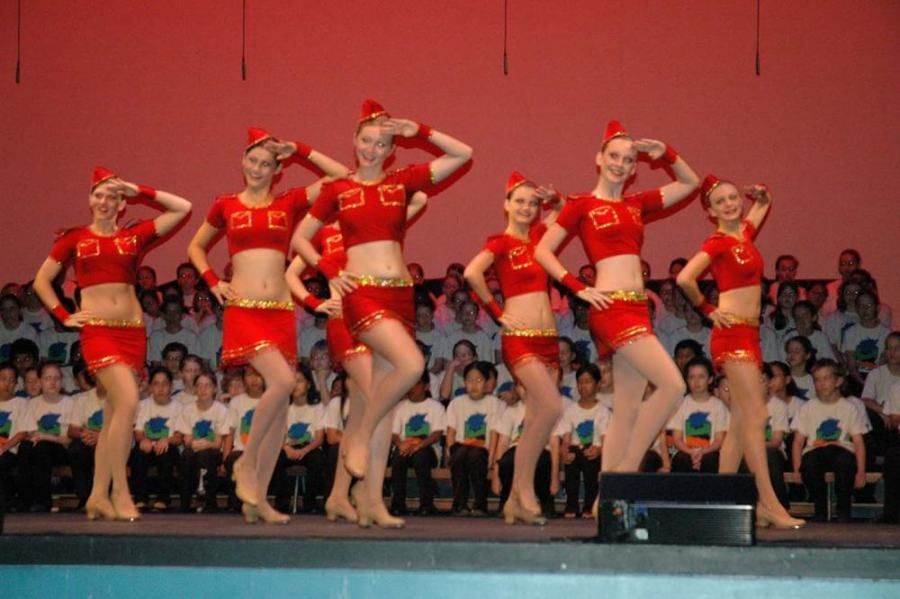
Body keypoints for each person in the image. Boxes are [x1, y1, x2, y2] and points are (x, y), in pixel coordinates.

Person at [293, 100, 472, 529]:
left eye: (383, 143)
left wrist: (420, 129)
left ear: (392, 149)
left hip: (400, 296)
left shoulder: (401, 183)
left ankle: (371, 501)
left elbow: (463, 154)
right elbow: (301, 239)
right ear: (354, 142)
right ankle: (356, 435)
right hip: (363, 294)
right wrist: (333, 272)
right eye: (367, 140)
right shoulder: (338, 189)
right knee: (412, 364)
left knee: (386, 406)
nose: (373, 149)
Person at [188, 126, 349, 523]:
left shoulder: (289, 202)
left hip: (279, 311)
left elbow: (342, 177)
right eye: (253, 160)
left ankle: (256, 500)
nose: (258, 168)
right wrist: (213, 281)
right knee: (280, 384)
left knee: (279, 411)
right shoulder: (225, 205)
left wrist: (300, 149)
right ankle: (243, 465)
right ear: (242, 162)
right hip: (243, 308)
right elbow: (195, 246)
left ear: (278, 170)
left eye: (267, 163)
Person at [535, 119, 698, 481]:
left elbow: (690, 183)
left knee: (625, 410)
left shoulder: (636, 204)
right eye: (614, 156)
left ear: (634, 167)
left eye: (628, 159)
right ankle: (625, 473)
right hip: (611, 309)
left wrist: (667, 154)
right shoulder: (580, 205)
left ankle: (606, 498)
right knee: (673, 386)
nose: (620, 164)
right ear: (599, 158)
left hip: (638, 308)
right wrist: (578, 287)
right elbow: (543, 250)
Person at [32, 166, 191, 520]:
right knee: (129, 402)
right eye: (98, 195)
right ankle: (121, 491)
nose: (104, 201)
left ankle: (96, 497)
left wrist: (139, 188)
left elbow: (182, 207)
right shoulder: (74, 239)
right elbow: (42, 280)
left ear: (122, 204)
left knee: (114, 416)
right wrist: (62, 314)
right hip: (99, 333)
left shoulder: (133, 237)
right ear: (90, 199)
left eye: (112, 196)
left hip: (132, 333)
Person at [677, 176, 803, 528]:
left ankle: (722, 501)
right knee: (757, 416)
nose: (731, 203)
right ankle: (768, 502)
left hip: (750, 332)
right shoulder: (716, 242)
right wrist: (707, 309)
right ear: (710, 210)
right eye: (722, 201)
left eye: (734, 198)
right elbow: (685, 278)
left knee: (740, 425)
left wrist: (764, 197)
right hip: (731, 334)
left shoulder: (744, 233)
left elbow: (761, 207)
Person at [464, 171, 566, 524]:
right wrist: (497, 312)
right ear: (506, 205)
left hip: (548, 339)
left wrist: (555, 199)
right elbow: (472, 274)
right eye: (520, 201)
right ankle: (525, 491)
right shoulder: (500, 243)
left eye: (532, 203)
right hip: (519, 338)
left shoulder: (539, 238)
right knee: (552, 407)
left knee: (538, 417)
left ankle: (513, 500)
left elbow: (565, 216)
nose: (527, 207)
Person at [792, 359, 867, 522]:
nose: (821, 384)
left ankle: (843, 510)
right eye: (817, 379)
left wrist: (861, 471)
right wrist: (797, 469)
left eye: (826, 378)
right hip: (815, 451)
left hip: (842, 451)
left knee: (844, 462)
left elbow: (858, 442)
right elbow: (798, 442)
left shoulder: (849, 408)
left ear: (838, 381)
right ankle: (820, 509)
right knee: (810, 463)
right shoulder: (807, 407)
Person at [446, 361, 500, 516]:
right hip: (460, 446)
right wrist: (450, 453)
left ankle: (479, 504)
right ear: (464, 382)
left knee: (475, 455)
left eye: (479, 380)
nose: (474, 385)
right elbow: (451, 432)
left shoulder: (494, 403)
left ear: (487, 382)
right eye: (469, 380)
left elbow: (494, 433)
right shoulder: (456, 403)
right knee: (460, 454)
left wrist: (492, 457)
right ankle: (460, 504)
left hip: (483, 448)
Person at [389, 369, 445, 516]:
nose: (411, 388)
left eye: (416, 384)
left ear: (426, 386)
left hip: (427, 448)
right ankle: (398, 504)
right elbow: (394, 433)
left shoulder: (435, 406)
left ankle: (427, 504)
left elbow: (437, 434)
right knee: (398, 459)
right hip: (405, 447)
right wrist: (401, 444)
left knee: (421, 457)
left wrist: (419, 445)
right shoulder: (399, 407)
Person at [176, 370, 229, 513]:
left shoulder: (221, 410)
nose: (203, 389)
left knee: (206, 455)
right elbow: (187, 439)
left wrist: (204, 444)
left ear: (214, 389)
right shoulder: (187, 410)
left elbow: (218, 442)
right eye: (199, 385)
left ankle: (210, 502)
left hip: (213, 450)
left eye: (207, 386)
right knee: (187, 455)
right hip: (193, 447)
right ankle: (185, 502)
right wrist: (196, 444)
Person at [130, 367, 182, 511]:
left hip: (167, 446)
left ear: (171, 386)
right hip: (148, 446)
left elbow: (179, 437)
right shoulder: (142, 406)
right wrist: (143, 440)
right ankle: (140, 498)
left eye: (165, 384)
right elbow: (138, 432)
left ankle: (163, 499)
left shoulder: (179, 408)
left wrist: (167, 440)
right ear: (151, 386)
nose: (161, 388)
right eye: (156, 384)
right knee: (138, 452)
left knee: (167, 452)